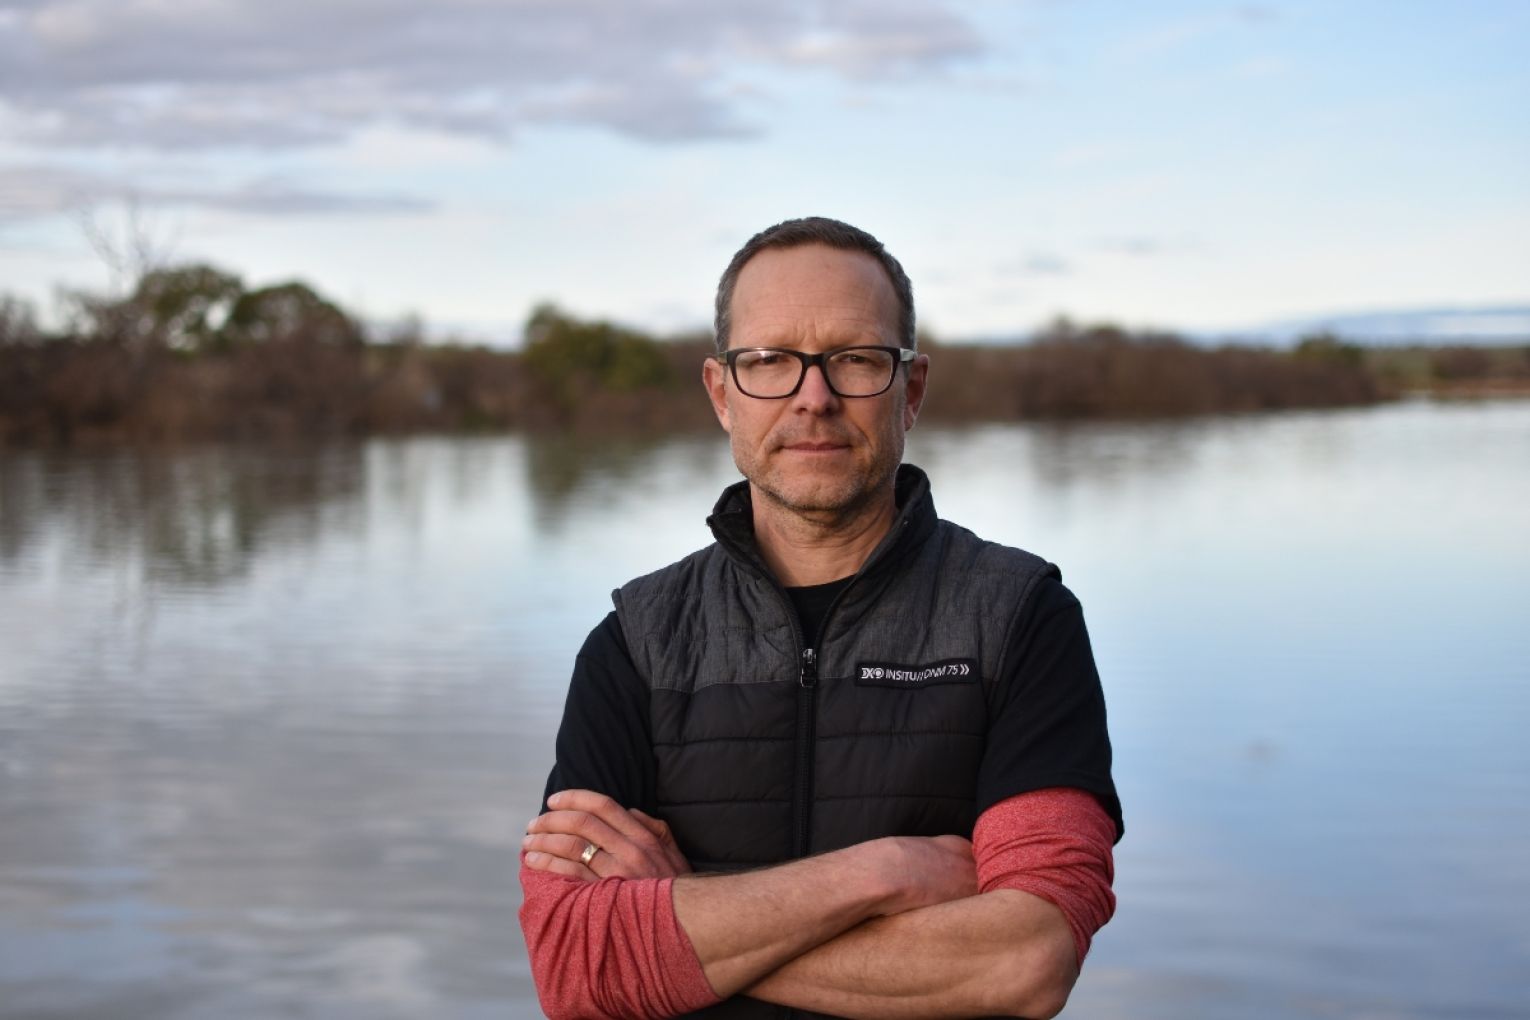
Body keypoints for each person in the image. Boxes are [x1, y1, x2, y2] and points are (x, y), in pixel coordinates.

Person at [519, 217, 1122, 1020]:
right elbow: (575, 965)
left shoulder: (1018, 617)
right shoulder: (637, 642)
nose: (815, 397)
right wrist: (883, 873)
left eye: (855, 359)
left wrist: (674, 921)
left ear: (910, 391)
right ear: (721, 393)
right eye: (769, 361)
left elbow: (1026, 957)